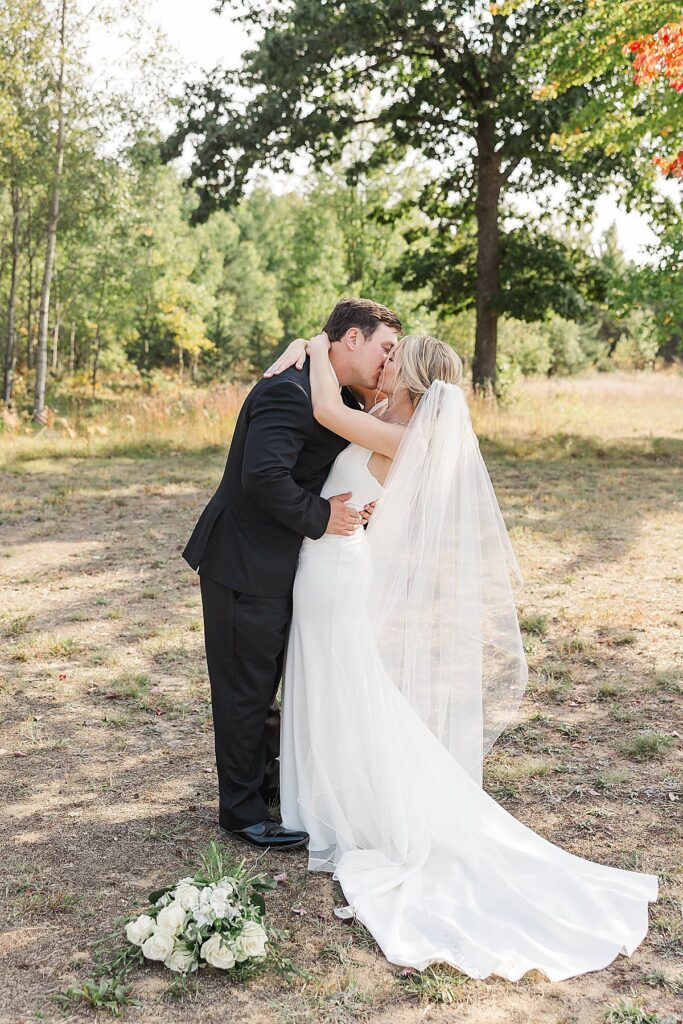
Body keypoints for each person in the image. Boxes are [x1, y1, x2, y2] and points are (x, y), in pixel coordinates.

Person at [263, 330, 659, 981]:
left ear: (414, 377)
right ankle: (317, 798)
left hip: (335, 575)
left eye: (392, 358)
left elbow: (328, 411)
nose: (383, 363)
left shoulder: (403, 436)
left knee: (342, 686)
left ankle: (336, 805)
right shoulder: (388, 420)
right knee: (332, 685)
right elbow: (342, 410)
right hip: (328, 568)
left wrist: (309, 344)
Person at [182, 298, 401, 850]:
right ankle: (241, 811)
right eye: (384, 347)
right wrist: (325, 516)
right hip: (244, 560)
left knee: (271, 681)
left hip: (289, 564)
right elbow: (264, 476)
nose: (387, 360)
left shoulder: (336, 390)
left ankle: (267, 784)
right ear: (352, 338)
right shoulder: (289, 387)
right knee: (244, 690)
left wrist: (308, 342)